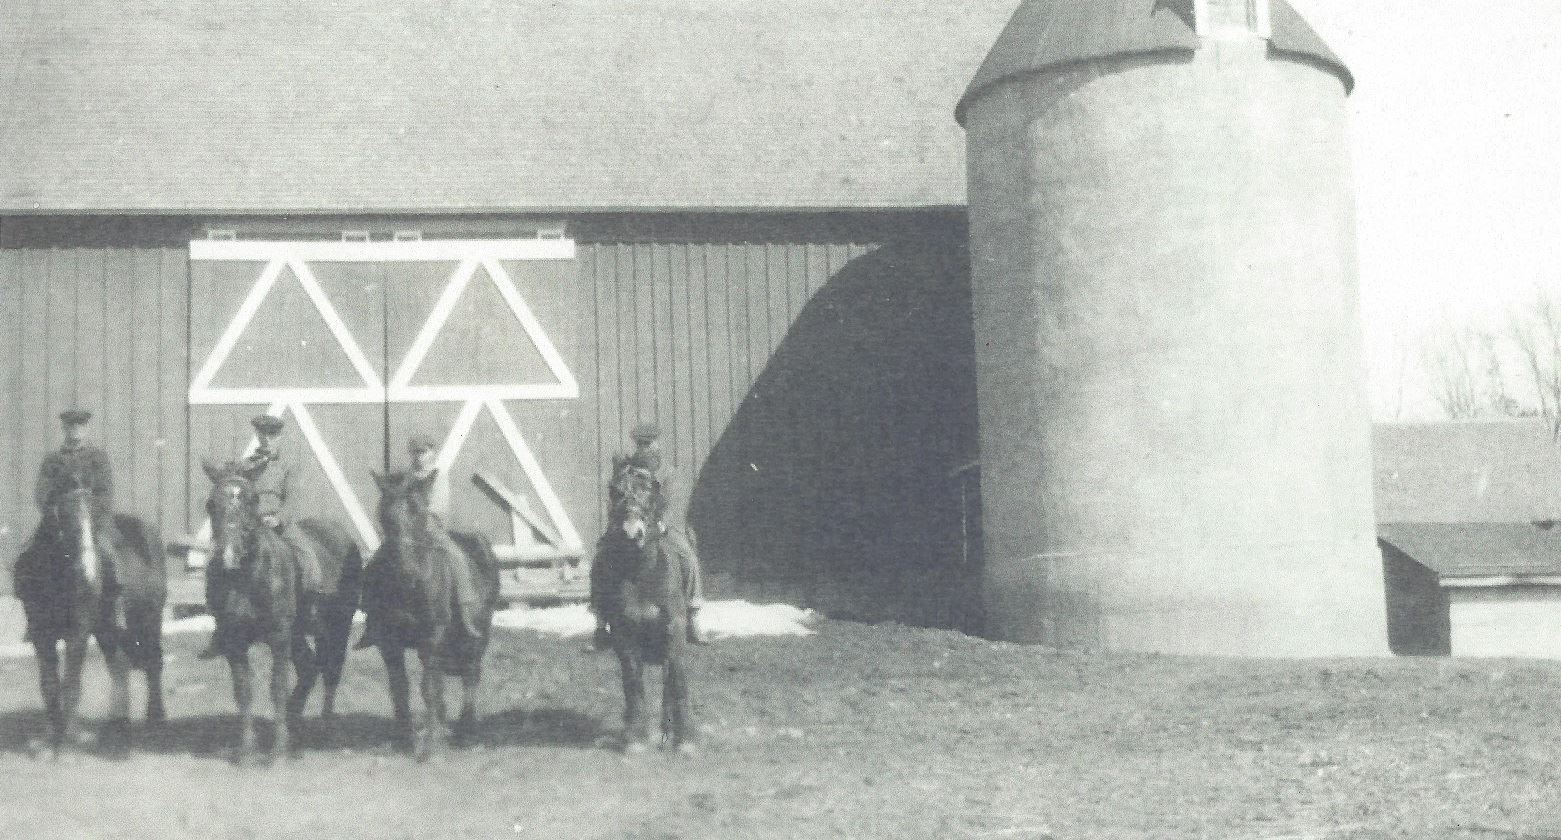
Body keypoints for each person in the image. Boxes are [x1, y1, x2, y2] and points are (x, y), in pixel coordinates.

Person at [198, 414, 324, 659]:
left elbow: (292, 498)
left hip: (279, 525)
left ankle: (309, 613)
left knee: (308, 559)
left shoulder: (289, 465)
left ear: (280, 437)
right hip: (250, 526)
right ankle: (220, 628)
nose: (267, 440)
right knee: (216, 562)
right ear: (257, 435)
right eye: (262, 434)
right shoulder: (246, 466)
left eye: (272, 435)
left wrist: (279, 518)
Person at [354, 435, 481, 650]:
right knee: (376, 562)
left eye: (423, 452)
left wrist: (424, 520)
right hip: (407, 534)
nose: (419, 457)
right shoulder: (407, 477)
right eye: (415, 453)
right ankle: (372, 619)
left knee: (457, 559)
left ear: (432, 452)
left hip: (432, 530)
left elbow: (439, 509)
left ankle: (466, 613)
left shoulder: (438, 477)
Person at [589, 421, 707, 650]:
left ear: (657, 443)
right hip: (627, 523)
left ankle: (693, 616)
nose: (645, 448)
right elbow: (614, 500)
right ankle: (601, 623)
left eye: (649, 443)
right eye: (641, 443)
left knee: (688, 559)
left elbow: (671, 505)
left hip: (661, 526)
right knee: (600, 561)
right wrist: (619, 521)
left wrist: (659, 526)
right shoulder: (626, 471)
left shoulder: (667, 473)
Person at [23, 409, 125, 637]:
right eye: (71, 427)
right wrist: (54, 513)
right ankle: (35, 618)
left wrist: (93, 513)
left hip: (91, 519)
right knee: (32, 554)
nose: (75, 432)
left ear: (85, 429)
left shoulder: (97, 457)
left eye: (79, 427)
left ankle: (116, 608)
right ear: (64, 430)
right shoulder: (53, 459)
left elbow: (106, 491)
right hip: (61, 519)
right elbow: (42, 492)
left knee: (109, 552)